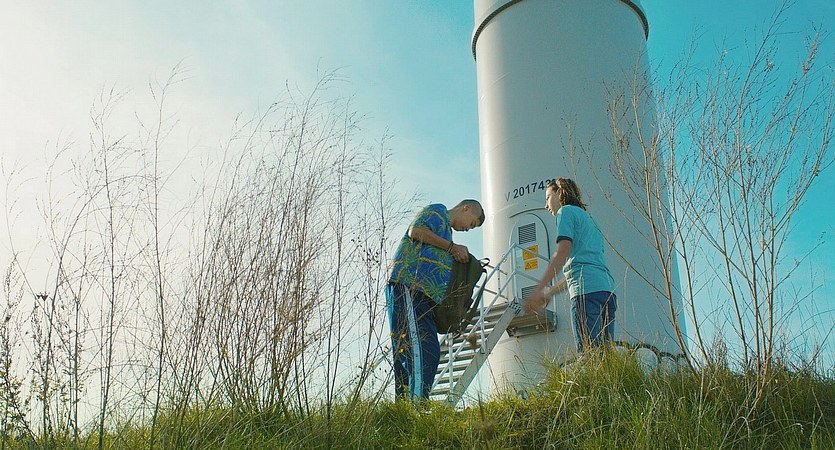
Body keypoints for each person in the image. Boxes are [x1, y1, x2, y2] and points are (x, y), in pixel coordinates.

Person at [387, 199, 485, 401]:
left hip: (423, 297)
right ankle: (417, 406)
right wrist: (452, 248)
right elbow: (416, 231)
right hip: (410, 287)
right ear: (466, 208)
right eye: (472, 223)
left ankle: (405, 408)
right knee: (425, 350)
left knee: (410, 351)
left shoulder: (447, 234)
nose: (468, 229)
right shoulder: (439, 211)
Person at [523, 178, 617, 352]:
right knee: (605, 357)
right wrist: (550, 291)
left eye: (547, 197)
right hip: (607, 291)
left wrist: (538, 288)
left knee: (589, 355)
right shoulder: (590, 220)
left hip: (586, 295)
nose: (546, 205)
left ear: (559, 192)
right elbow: (578, 269)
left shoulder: (565, 212)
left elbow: (563, 252)